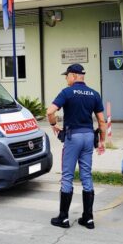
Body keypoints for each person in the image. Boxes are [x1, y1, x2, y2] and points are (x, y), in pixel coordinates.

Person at [46, 63, 107, 229]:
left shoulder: (67, 92)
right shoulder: (94, 94)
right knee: (86, 175)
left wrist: (53, 125)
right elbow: (102, 121)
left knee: (67, 176)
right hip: (88, 137)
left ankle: (63, 218)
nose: (66, 79)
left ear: (73, 75)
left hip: (73, 137)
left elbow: (50, 111)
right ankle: (88, 218)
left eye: (67, 76)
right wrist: (102, 141)